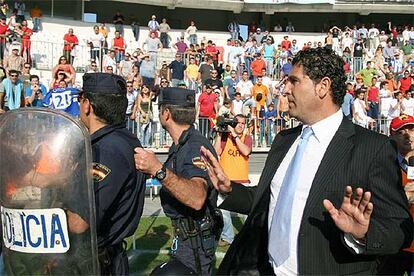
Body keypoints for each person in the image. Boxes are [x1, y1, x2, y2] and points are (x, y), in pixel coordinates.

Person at [201, 47, 413, 275]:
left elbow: (400, 229)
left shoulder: (372, 148)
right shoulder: (284, 140)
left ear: (323, 86)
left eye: (294, 81)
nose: (285, 89)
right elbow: (267, 199)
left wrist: (363, 233)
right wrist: (228, 189)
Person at [134, 87, 222, 275]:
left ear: (166, 114)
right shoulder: (181, 145)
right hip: (185, 243)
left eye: (160, 110)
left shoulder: (193, 146)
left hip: (194, 248)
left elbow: (197, 197)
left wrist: (158, 169)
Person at [79, 73, 146, 274]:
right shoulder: (122, 139)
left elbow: (80, 222)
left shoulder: (106, 149)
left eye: (79, 100)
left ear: (87, 104)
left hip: (97, 263)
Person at [382, 115, 414, 275]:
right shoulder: (383, 165)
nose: (408, 135)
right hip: (396, 242)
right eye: (401, 132)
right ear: (392, 137)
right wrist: (403, 197)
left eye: (412, 129)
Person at [213, 114, 252, 246]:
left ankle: (250, 236)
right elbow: (216, 152)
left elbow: (246, 151)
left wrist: (234, 136)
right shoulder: (225, 138)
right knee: (223, 211)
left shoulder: (247, 138)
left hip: (242, 181)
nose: (240, 125)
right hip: (226, 181)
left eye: (243, 123)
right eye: (238, 123)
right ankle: (227, 237)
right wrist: (219, 134)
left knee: (247, 212)